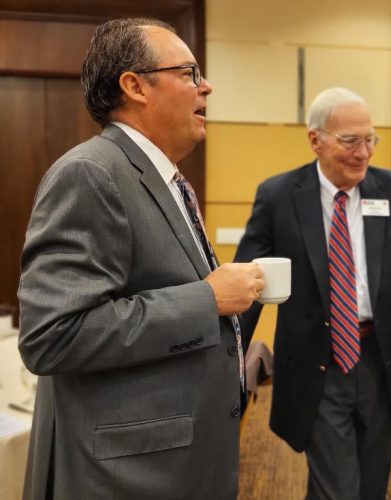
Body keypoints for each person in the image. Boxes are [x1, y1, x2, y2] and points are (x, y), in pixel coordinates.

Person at [17, 18, 264, 499]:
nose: (206, 86)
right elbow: (52, 336)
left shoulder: (156, 176)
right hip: (128, 476)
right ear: (134, 86)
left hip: (170, 459)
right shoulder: (91, 173)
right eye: (190, 72)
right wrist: (207, 300)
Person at [234, 87, 391, 499]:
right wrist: (226, 355)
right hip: (317, 364)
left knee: (371, 488)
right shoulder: (279, 196)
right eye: (350, 140)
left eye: (370, 139)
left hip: (379, 362)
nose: (363, 152)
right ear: (315, 139)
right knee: (336, 489)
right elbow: (246, 282)